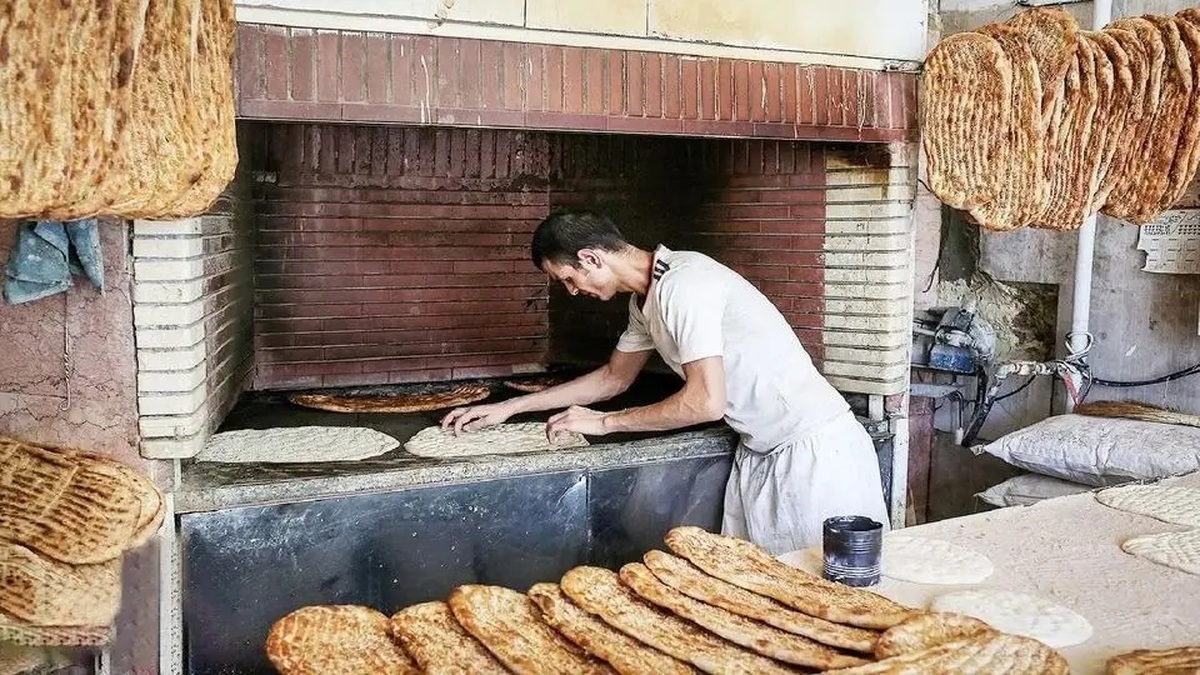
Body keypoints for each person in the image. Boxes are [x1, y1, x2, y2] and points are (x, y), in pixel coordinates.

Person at [440, 210, 889, 555]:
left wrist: (605, 424)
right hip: (762, 453)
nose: (572, 291)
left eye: (568, 279)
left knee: (826, 599)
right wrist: (509, 409)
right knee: (762, 599)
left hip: (813, 456)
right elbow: (613, 378)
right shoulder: (647, 298)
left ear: (591, 258)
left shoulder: (685, 287)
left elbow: (706, 402)